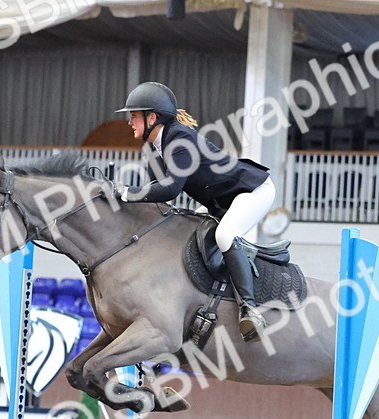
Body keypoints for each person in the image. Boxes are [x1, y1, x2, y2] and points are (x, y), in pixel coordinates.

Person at [114, 81, 275, 342]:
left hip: (251, 191)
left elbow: (170, 190)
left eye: (133, 116)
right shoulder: (155, 150)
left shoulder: (179, 140)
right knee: (188, 230)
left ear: (152, 117)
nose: (130, 122)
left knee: (224, 235)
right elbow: (155, 196)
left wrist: (126, 193)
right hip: (220, 201)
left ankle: (250, 308)